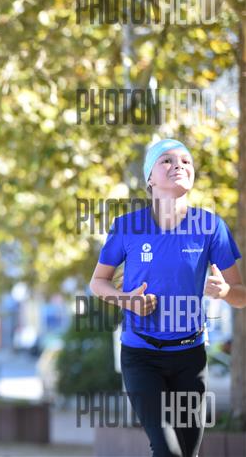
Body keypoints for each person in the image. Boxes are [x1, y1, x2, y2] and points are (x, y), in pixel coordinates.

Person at [90, 138, 246, 457]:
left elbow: (241, 297)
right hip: (141, 355)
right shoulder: (127, 227)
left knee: (187, 454)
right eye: (167, 161)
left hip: (190, 356)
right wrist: (126, 300)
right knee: (167, 451)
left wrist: (226, 292)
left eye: (186, 161)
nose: (179, 166)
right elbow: (98, 283)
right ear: (150, 178)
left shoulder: (211, 227)